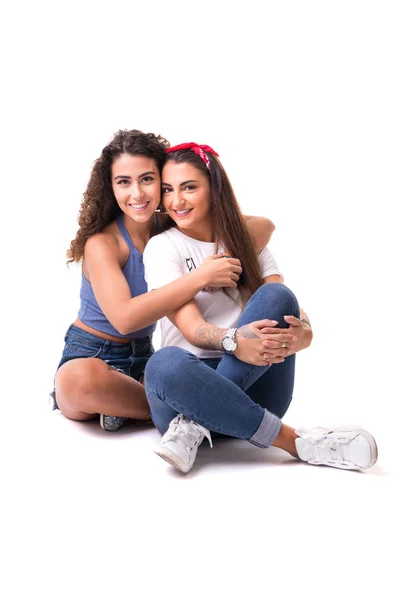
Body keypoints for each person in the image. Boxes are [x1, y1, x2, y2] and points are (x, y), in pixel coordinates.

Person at [143, 142, 378, 473]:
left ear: (214, 188)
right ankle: (293, 441)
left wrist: (305, 334)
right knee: (164, 364)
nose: (176, 201)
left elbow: (283, 305)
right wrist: (236, 339)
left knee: (278, 295)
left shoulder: (245, 242)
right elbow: (192, 329)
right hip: (184, 389)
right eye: (168, 190)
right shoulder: (163, 247)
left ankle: (195, 424)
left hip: (259, 387)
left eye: (189, 187)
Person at [52, 130, 275, 431]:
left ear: (161, 180)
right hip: (90, 355)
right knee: (80, 381)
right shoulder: (104, 244)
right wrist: (200, 277)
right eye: (124, 182)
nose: (137, 194)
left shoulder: (172, 224)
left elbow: (263, 227)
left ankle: (132, 407)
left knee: (171, 367)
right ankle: (162, 407)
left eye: (147, 179)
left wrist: (221, 256)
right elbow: (124, 318)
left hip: (145, 358)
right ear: (111, 187)